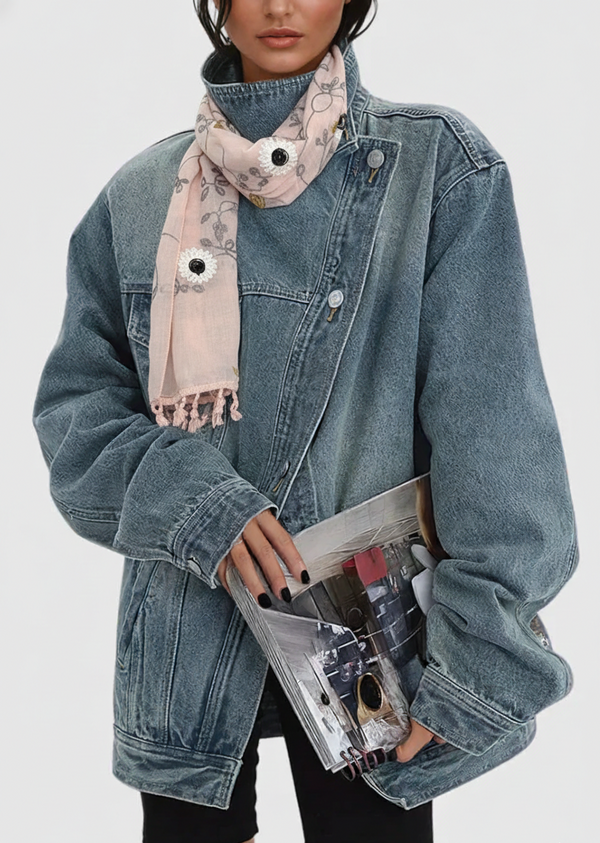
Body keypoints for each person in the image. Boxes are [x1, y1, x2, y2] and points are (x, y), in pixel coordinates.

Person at [32, 1, 578, 841]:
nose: (281, 5)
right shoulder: (140, 199)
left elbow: (498, 443)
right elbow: (76, 418)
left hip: (380, 658)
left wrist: (476, 669)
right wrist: (200, 506)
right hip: (185, 660)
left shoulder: (437, 170)